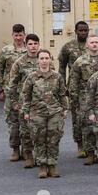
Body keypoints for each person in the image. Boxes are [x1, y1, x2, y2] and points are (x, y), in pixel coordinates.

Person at [22, 50, 68, 179]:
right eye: (41, 58)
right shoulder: (32, 77)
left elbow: (62, 94)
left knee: (54, 138)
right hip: (37, 112)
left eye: (46, 58)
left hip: (55, 112)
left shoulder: (57, 76)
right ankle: (42, 165)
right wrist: (26, 111)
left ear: (50, 59)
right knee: (39, 138)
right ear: (38, 60)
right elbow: (26, 95)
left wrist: (65, 109)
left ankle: (52, 165)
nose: (44, 61)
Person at [0, 24, 27, 161]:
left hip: (26, 93)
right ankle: (15, 149)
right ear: (12, 35)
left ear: (24, 35)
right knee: (13, 122)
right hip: (10, 91)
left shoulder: (30, 50)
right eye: (16, 35)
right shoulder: (6, 50)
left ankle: (26, 150)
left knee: (26, 122)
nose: (18, 38)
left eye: (20, 35)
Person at [9, 34, 42, 169]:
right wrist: (14, 101)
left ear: (38, 44)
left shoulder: (44, 59)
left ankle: (40, 156)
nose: (33, 47)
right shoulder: (20, 62)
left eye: (35, 44)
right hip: (26, 102)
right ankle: (28, 156)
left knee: (40, 130)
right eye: (30, 44)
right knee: (26, 130)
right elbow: (12, 84)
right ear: (26, 45)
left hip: (42, 102)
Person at [68, 34, 98, 165]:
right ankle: (90, 153)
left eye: (96, 42)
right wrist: (74, 100)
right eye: (92, 42)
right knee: (87, 127)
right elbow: (73, 82)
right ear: (87, 45)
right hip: (85, 98)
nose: (94, 44)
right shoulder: (80, 61)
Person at [58, 21, 90, 158]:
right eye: (81, 30)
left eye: (85, 30)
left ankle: (92, 145)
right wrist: (62, 85)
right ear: (76, 31)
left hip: (91, 87)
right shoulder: (68, 47)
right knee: (77, 118)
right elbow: (61, 67)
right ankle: (80, 145)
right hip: (75, 87)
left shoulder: (93, 45)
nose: (83, 33)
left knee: (91, 117)